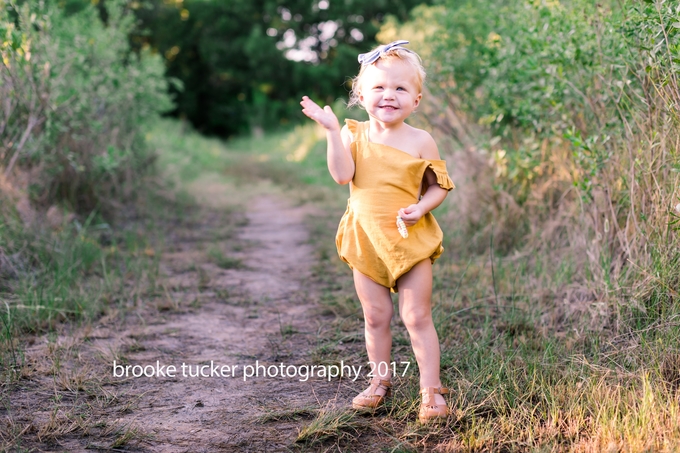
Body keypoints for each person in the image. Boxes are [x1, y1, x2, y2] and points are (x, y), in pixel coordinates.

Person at [300, 40, 455, 423]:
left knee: (417, 316)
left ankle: (431, 390)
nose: (390, 95)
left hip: (409, 242)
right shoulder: (354, 134)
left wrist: (422, 206)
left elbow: (439, 186)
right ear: (361, 95)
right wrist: (332, 132)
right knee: (375, 316)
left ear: (416, 100)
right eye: (379, 88)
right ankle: (379, 382)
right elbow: (341, 176)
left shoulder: (421, 141)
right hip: (366, 240)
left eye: (401, 89)